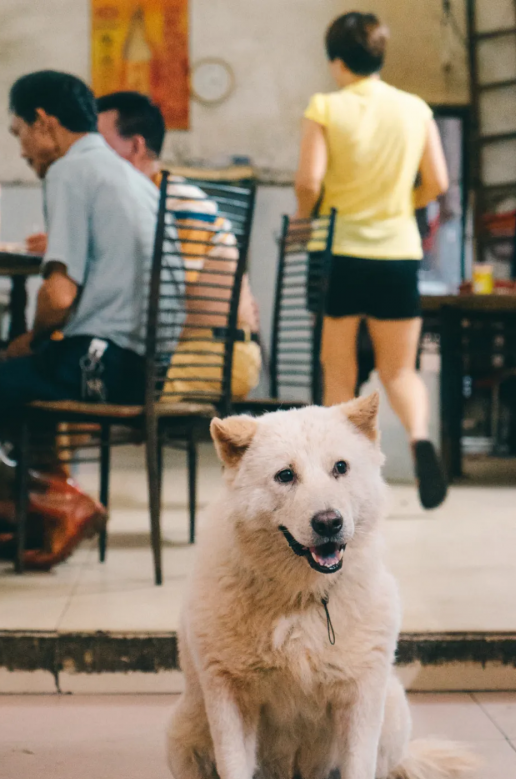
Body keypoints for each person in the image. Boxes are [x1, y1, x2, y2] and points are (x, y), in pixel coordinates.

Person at [0, 70, 160, 566]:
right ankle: (27, 511)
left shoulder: (71, 170)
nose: (22, 151)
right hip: (140, 364)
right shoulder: (129, 175)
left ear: (44, 123)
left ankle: (57, 503)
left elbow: (57, 295)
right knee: (5, 389)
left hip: (98, 362)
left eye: (19, 133)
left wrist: (33, 339)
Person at [295, 12, 449, 509]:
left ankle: (349, 482)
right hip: (397, 253)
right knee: (399, 371)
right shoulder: (415, 109)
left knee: (338, 374)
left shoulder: (326, 106)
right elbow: (439, 183)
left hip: (340, 252)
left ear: (337, 62)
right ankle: (421, 437)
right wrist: (405, 204)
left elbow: (308, 181)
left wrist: (306, 217)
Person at [95, 91, 262, 401]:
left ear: (135, 146)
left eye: (100, 146)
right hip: (188, 350)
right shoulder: (149, 200)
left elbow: (167, 297)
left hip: (213, 355)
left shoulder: (176, 200)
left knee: (86, 377)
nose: (91, 157)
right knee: (77, 367)